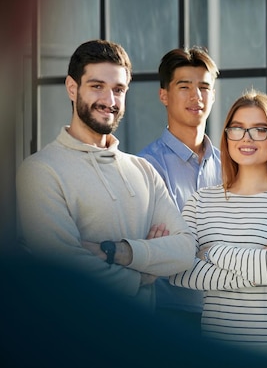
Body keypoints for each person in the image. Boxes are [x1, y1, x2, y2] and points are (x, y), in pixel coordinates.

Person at [16, 39, 195, 308]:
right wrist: (146, 272)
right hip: (79, 344)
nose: (109, 101)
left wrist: (118, 252)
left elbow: (184, 250)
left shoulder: (143, 170)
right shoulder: (41, 170)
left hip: (144, 342)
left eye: (119, 89)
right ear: (72, 88)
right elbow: (66, 272)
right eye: (97, 86)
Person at [170, 91, 267, 365]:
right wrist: (260, 268)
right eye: (237, 129)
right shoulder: (201, 201)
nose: (246, 138)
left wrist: (212, 252)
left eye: (260, 130)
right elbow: (179, 272)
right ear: (226, 136)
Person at [138, 46, 221, 330]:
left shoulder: (232, 166)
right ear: (164, 95)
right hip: (170, 314)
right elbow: (158, 250)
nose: (196, 96)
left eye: (204, 87)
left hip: (229, 313)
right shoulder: (145, 167)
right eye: (184, 87)